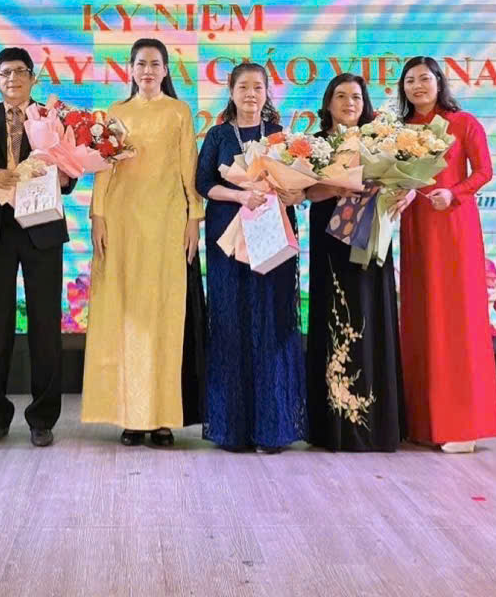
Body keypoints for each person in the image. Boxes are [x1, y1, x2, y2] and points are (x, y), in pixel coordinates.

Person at [82, 38, 203, 446]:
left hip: (168, 221)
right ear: (130, 70)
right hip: (122, 223)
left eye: (155, 64)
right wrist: (98, 216)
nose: (148, 70)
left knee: (164, 315)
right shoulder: (114, 113)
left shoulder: (179, 112)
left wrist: (195, 217)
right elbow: (103, 168)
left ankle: (163, 416)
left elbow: (189, 169)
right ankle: (130, 415)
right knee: (127, 314)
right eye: (141, 64)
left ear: (166, 70)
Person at [0, 47, 76, 448]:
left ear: (33, 77)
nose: (13, 78)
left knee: (45, 325)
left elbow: (70, 168)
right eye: (5, 72)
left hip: (41, 227)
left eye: (21, 71)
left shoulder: (51, 116)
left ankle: (42, 418)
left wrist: (64, 178)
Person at [395, 56, 496, 452]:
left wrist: (454, 193)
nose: (417, 86)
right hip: (416, 228)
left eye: (425, 78)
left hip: (454, 227)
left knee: (456, 318)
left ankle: (462, 426)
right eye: (410, 80)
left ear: (440, 82)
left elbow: (484, 171)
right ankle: (423, 423)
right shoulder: (399, 130)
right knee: (420, 316)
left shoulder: (463, 123)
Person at [196, 62, 307, 453]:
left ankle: (273, 428)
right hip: (227, 239)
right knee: (231, 322)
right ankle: (233, 428)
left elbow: (299, 185)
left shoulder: (279, 136)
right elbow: (203, 183)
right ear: (231, 91)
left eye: (257, 87)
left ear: (266, 92)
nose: (250, 94)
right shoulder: (218, 135)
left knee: (272, 324)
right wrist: (241, 195)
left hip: (272, 235)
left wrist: (295, 193)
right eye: (243, 87)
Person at [305, 74, 406, 452]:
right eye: (341, 96)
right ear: (328, 103)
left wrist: (405, 192)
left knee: (370, 312)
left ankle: (375, 423)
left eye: (357, 97)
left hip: (371, 238)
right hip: (329, 239)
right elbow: (306, 192)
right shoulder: (314, 143)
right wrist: (336, 186)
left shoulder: (381, 141)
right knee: (334, 315)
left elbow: (400, 183)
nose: (349, 103)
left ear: (365, 104)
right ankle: (332, 426)